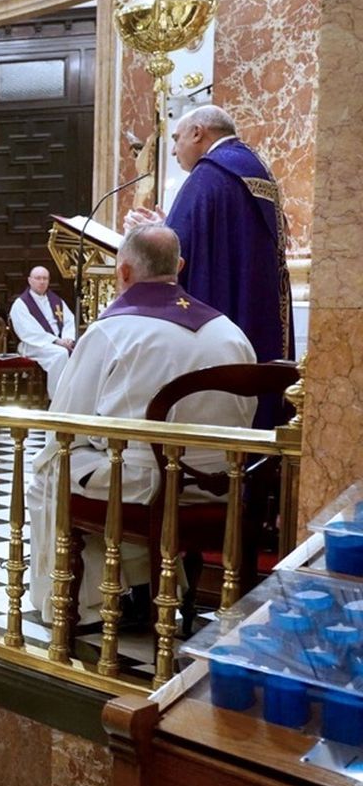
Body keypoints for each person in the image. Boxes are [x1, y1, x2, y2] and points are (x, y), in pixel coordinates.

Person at [26, 225, 255, 627]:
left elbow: (66, 421)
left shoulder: (112, 332)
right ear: (179, 267)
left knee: (51, 467)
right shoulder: (230, 332)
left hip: (147, 488)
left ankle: (82, 601)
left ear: (125, 272)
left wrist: (99, 438)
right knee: (104, 462)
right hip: (225, 485)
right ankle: (145, 584)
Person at [123, 105, 293, 424]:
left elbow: (170, 257)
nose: (173, 149)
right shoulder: (254, 167)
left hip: (222, 305)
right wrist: (166, 223)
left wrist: (143, 236)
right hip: (259, 307)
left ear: (198, 133)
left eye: (177, 139)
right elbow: (220, 235)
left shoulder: (208, 175)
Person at [9, 266, 78, 397]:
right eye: (38, 278)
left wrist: (68, 338)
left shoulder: (56, 301)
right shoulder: (21, 304)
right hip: (33, 345)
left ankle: (73, 396)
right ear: (30, 280)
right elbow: (28, 332)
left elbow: (69, 320)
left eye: (45, 278)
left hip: (59, 342)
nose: (42, 282)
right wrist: (57, 341)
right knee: (60, 354)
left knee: (80, 351)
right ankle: (56, 398)